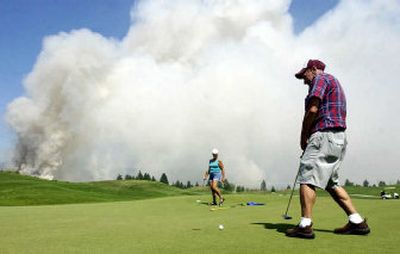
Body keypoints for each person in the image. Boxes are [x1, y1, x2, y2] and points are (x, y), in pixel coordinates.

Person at [286, 59, 370, 239]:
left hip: (324, 134)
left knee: (307, 176)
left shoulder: (321, 79)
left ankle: (305, 225)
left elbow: (313, 109)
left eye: (304, 75)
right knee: (332, 183)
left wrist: (304, 135)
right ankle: (357, 221)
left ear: (313, 69)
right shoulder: (333, 81)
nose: (304, 80)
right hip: (338, 138)